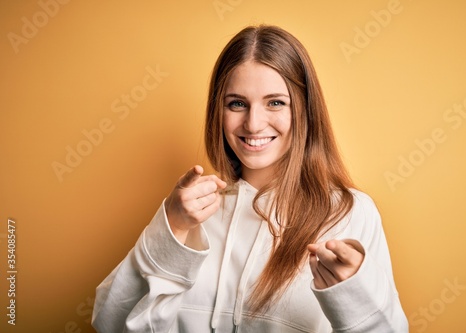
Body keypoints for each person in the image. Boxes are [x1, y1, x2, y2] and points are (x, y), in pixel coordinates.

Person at [92, 25, 409, 332]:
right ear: (219, 110)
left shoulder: (350, 213)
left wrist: (356, 297)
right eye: (237, 104)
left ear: (305, 110)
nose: (254, 124)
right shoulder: (191, 211)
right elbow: (110, 323)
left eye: (275, 102)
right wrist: (171, 229)